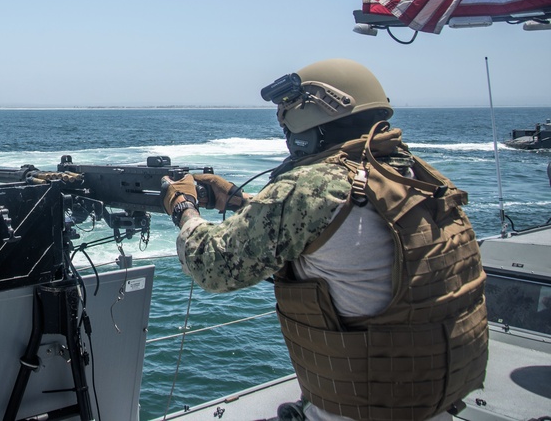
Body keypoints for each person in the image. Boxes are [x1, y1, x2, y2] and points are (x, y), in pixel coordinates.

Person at [161, 58, 488, 421]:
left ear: (308, 124)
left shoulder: (309, 187)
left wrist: (183, 208)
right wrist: (242, 201)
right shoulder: (411, 175)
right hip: (425, 401)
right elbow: (339, 229)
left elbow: (213, 265)